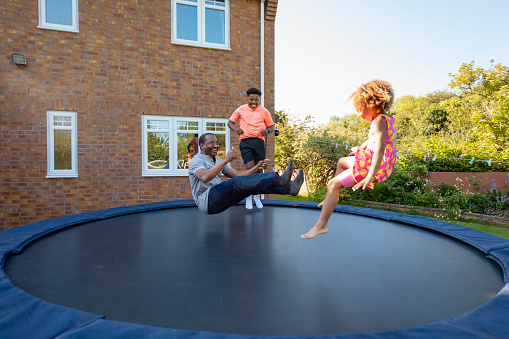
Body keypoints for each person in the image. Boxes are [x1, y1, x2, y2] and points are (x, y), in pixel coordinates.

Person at [301, 80, 397, 239]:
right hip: (382, 163)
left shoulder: (378, 121)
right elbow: (378, 140)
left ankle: (321, 225)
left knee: (333, 184)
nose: (359, 114)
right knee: (342, 162)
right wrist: (360, 149)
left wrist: (370, 176)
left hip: (374, 165)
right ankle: (330, 198)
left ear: (371, 103)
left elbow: (379, 149)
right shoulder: (387, 119)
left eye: (360, 109)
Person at [188, 133, 304, 215]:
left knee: (249, 186)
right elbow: (204, 177)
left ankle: (290, 189)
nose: (216, 146)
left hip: (220, 200)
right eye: (211, 143)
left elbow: (239, 175)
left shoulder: (218, 161)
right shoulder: (197, 160)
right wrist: (226, 160)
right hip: (206, 201)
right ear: (202, 146)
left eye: (217, 143)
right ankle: (279, 180)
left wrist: (256, 167)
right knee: (236, 183)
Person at [228, 87, 275, 210]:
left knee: (259, 170)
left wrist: (267, 131)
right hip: (245, 141)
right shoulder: (241, 109)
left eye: (256, 100)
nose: (253, 102)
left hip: (259, 141)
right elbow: (230, 123)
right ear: (247, 98)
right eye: (251, 99)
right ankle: (248, 196)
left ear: (259, 99)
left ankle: (257, 197)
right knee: (249, 169)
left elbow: (271, 127)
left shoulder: (264, 111)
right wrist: (236, 129)